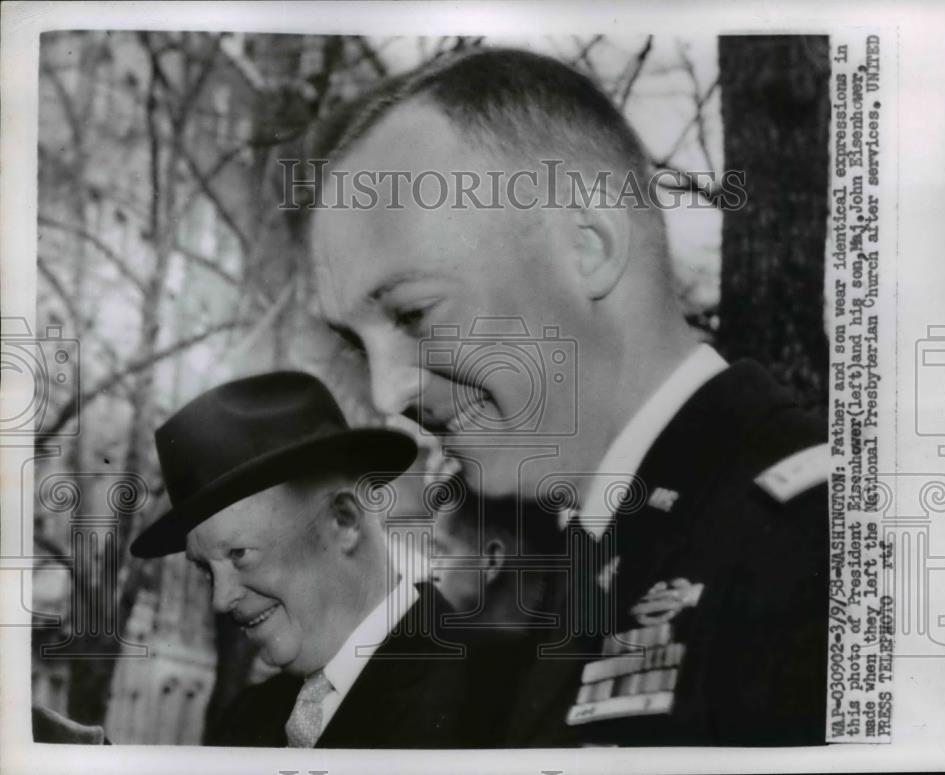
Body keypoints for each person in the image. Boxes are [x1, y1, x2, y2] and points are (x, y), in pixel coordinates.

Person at [306, 47, 829, 746]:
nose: (387, 389)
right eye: (356, 341)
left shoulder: (818, 544)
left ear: (589, 246)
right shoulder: (605, 555)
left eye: (412, 313)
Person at [129, 371, 490, 748]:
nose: (221, 600)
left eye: (240, 555)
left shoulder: (486, 696)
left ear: (344, 520)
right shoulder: (245, 721)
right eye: (205, 569)